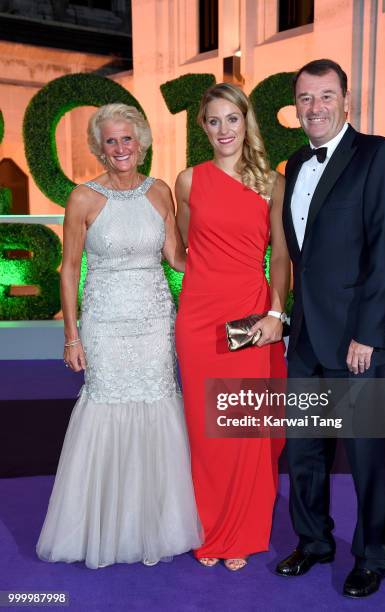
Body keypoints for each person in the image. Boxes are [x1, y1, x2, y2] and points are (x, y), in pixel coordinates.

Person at [37, 103, 201, 569]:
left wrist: (230, 268)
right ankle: (100, 528)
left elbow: (175, 255)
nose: (120, 148)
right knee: (106, 407)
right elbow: (69, 270)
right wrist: (71, 336)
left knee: (157, 404)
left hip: (153, 321)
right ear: (99, 148)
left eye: (127, 138)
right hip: (106, 322)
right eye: (110, 140)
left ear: (142, 141)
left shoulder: (160, 192)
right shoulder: (82, 198)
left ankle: (158, 525)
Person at [276, 59, 385, 597]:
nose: (316, 107)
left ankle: (373, 556)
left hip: (359, 341)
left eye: (326, 96)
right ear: (296, 106)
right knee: (304, 451)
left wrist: (369, 334)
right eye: (306, 98)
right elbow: (302, 258)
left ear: (346, 101)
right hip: (307, 339)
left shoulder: (378, 154)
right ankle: (313, 542)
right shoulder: (292, 164)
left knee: (368, 457)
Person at [175, 83, 289, 571]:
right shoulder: (187, 181)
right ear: (203, 126)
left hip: (251, 316)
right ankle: (207, 527)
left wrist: (275, 314)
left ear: (247, 122)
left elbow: (281, 255)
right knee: (205, 430)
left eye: (232, 119)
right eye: (214, 120)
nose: (224, 129)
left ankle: (239, 530)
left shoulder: (271, 182)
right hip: (199, 318)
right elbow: (179, 250)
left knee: (241, 427)